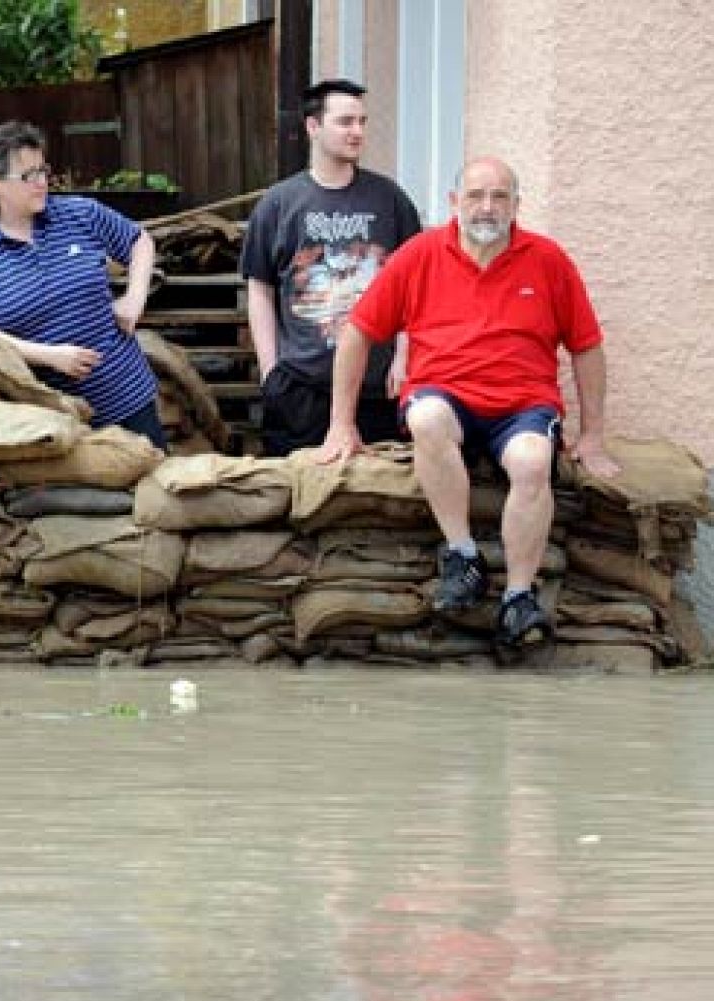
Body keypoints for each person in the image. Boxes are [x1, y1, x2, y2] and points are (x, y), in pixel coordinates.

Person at [315, 157, 620, 650]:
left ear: (517, 206)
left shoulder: (548, 260)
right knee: (427, 418)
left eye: (500, 197)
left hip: (523, 404)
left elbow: (586, 346)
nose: (487, 207)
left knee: (534, 460)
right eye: (476, 195)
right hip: (444, 394)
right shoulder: (418, 255)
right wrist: (340, 425)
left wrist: (593, 435)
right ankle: (462, 556)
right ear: (454, 203)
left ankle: (519, 598)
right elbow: (358, 333)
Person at [0, 120, 167, 451]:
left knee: (152, 492)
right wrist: (48, 356)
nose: (42, 183)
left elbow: (139, 240)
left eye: (43, 171)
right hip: (50, 417)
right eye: (28, 175)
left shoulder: (79, 214)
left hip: (126, 397)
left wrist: (134, 298)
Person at [241, 79, 422, 456]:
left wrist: (405, 359)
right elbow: (260, 290)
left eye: (362, 121)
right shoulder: (278, 204)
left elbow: (414, 288)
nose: (357, 132)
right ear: (313, 127)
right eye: (345, 122)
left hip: (377, 387)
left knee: (377, 498)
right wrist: (271, 370)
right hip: (301, 386)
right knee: (298, 498)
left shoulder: (391, 199)